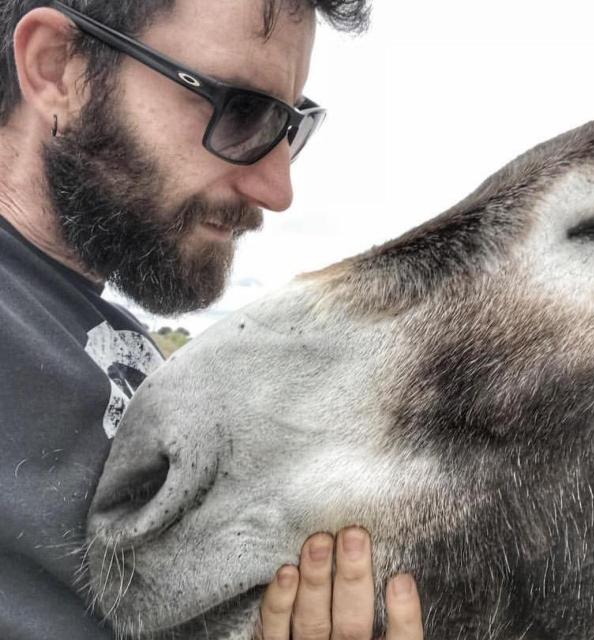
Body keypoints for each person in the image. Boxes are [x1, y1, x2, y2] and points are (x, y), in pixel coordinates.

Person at [0, 1, 424, 639]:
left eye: (291, 126)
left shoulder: (127, 348)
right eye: (242, 112)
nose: (277, 190)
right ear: (57, 68)